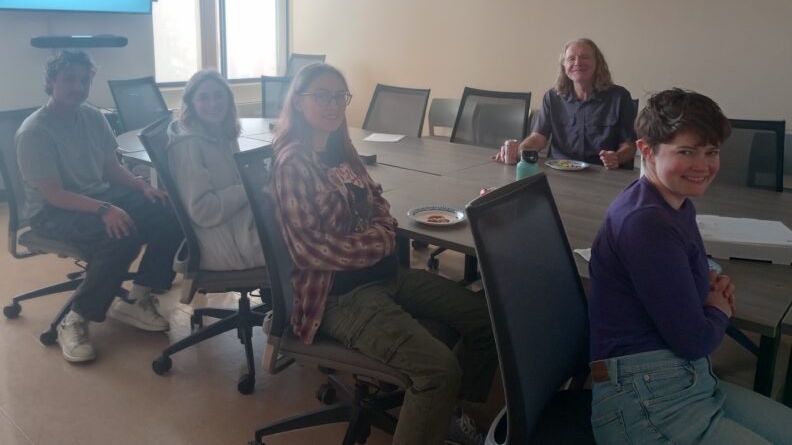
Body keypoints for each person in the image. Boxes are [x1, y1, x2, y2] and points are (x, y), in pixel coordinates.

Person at [271, 63, 499, 445]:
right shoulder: (293, 163)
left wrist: (379, 232)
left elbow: (378, 200)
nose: (332, 105)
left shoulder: (341, 150)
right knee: (438, 371)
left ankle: (445, 410)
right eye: (321, 96)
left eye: (339, 96)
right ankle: (439, 397)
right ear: (298, 102)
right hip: (339, 297)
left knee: (487, 318)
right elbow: (310, 249)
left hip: (386, 276)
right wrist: (378, 241)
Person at [588, 88, 792, 444]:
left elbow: (688, 260)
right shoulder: (646, 221)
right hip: (645, 400)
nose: (703, 165)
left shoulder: (675, 202)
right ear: (646, 151)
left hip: (682, 379)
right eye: (686, 152)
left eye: (711, 152)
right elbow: (695, 340)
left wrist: (710, 275)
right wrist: (719, 309)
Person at [15, 51, 182, 363]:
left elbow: (110, 167)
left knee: (170, 212)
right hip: (53, 211)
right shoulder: (35, 131)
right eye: (69, 79)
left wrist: (142, 186)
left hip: (98, 196)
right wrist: (105, 209)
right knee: (121, 233)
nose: (78, 87)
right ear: (51, 82)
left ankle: (137, 298)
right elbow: (53, 194)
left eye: (85, 80)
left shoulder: (93, 117)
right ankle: (76, 318)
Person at [166, 69, 266, 270]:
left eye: (219, 95)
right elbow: (203, 211)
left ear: (229, 99)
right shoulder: (188, 146)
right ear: (191, 104)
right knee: (303, 243)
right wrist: (250, 186)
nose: (213, 104)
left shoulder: (223, 132)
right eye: (204, 97)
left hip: (238, 224)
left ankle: (281, 296)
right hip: (223, 243)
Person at [497, 38, 636, 169]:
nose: (577, 63)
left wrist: (617, 157)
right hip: (560, 169)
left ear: (598, 62)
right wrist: (519, 151)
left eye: (584, 57)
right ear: (564, 66)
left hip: (603, 172)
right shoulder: (552, 97)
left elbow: (629, 145)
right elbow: (538, 138)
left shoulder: (620, 97)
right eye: (571, 59)